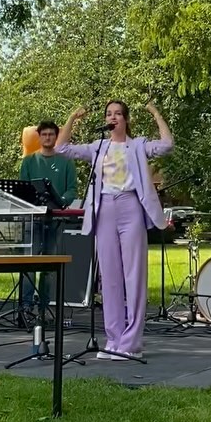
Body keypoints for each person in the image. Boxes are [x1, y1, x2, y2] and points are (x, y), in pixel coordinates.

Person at [56, 100, 173, 360]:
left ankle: (131, 342)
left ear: (126, 119)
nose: (113, 118)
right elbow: (61, 148)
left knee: (134, 275)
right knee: (109, 277)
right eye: (109, 114)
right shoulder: (99, 147)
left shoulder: (138, 145)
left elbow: (166, 145)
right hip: (105, 208)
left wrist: (155, 113)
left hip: (130, 205)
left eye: (118, 114)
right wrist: (72, 119)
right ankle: (114, 339)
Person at [19, 120, 77, 312]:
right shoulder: (28, 161)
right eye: (44, 134)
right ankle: (26, 307)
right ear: (39, 136)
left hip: (55, 219)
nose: (48, 138)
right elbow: (22, 189)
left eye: (51, 134)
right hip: (32, 219)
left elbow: (72, 190)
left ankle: (45, 308)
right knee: (28, 263)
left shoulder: (66, 162)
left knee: (49, 265)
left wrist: (62, 201)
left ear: (56, 136)